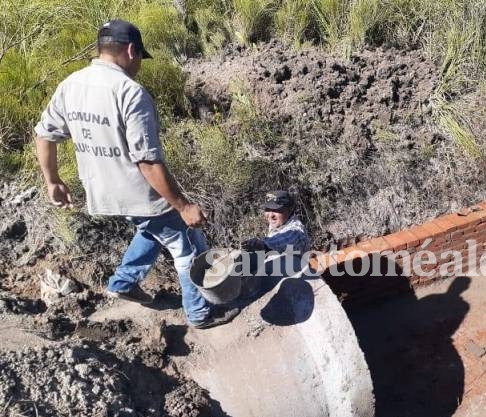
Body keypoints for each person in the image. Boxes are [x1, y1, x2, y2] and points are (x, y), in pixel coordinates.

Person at [34, 19, 238, 329]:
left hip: (102, 194)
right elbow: (146, 162)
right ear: (131, 50)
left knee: (152, 230)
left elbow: (44, 134)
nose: (139, 64)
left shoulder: (71, 84)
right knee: (188, 245)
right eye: (141, 56)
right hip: (140, 192)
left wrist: (52, 181)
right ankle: (200, 314)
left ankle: (123, 283)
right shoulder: (130, 92)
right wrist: (184, 206)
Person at [241, 191, 310, 254]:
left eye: (276, 210)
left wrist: (264, 244)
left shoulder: (296, 231)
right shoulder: (280, 223)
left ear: (290, 210)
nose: (271, 215)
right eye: (267, 209)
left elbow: (285, 239)